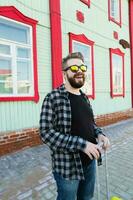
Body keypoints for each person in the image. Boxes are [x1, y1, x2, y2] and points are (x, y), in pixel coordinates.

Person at [39, 52, 110, 200]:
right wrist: (82, 144)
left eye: (82, 68)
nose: (79, 71)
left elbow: (90, 124)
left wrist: (100, 134)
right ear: (64, 74)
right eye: (74, 68)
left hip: (90, 162)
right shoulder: (53, 97)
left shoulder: (85, 97)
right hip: (67, 168)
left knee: (87, 198)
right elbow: (45, 133)